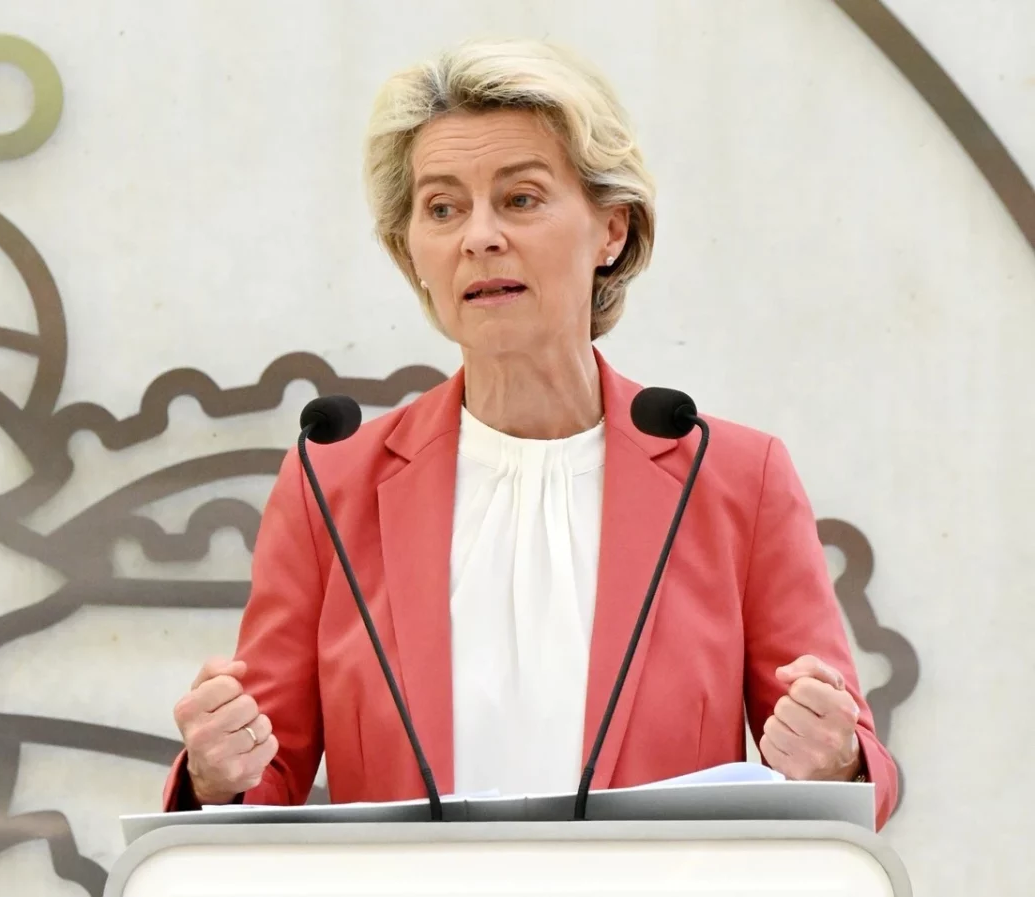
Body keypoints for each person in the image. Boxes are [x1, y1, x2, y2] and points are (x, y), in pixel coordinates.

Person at [163, 37, 898, 829]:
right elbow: (260, 779)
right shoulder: (330, 487)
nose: (478, 236)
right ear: (411, 251)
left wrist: (836, 759)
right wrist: (218, 770)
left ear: (611, 229)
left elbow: (848, 767)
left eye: (520, 199)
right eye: (442, 208)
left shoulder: (734, 479)